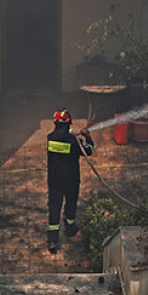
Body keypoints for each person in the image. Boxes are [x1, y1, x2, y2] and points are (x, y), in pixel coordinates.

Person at [46, 108, 94, 254]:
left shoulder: (50, 138)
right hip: (71, 180)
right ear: (69, 123)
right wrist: (87, 137)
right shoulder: (74, 141)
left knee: (54, 208)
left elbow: (62, 137)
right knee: (70, 204)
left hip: (54, 180)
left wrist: (70, 133)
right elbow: (90, 150)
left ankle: (53, 240)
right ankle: (70, 229)